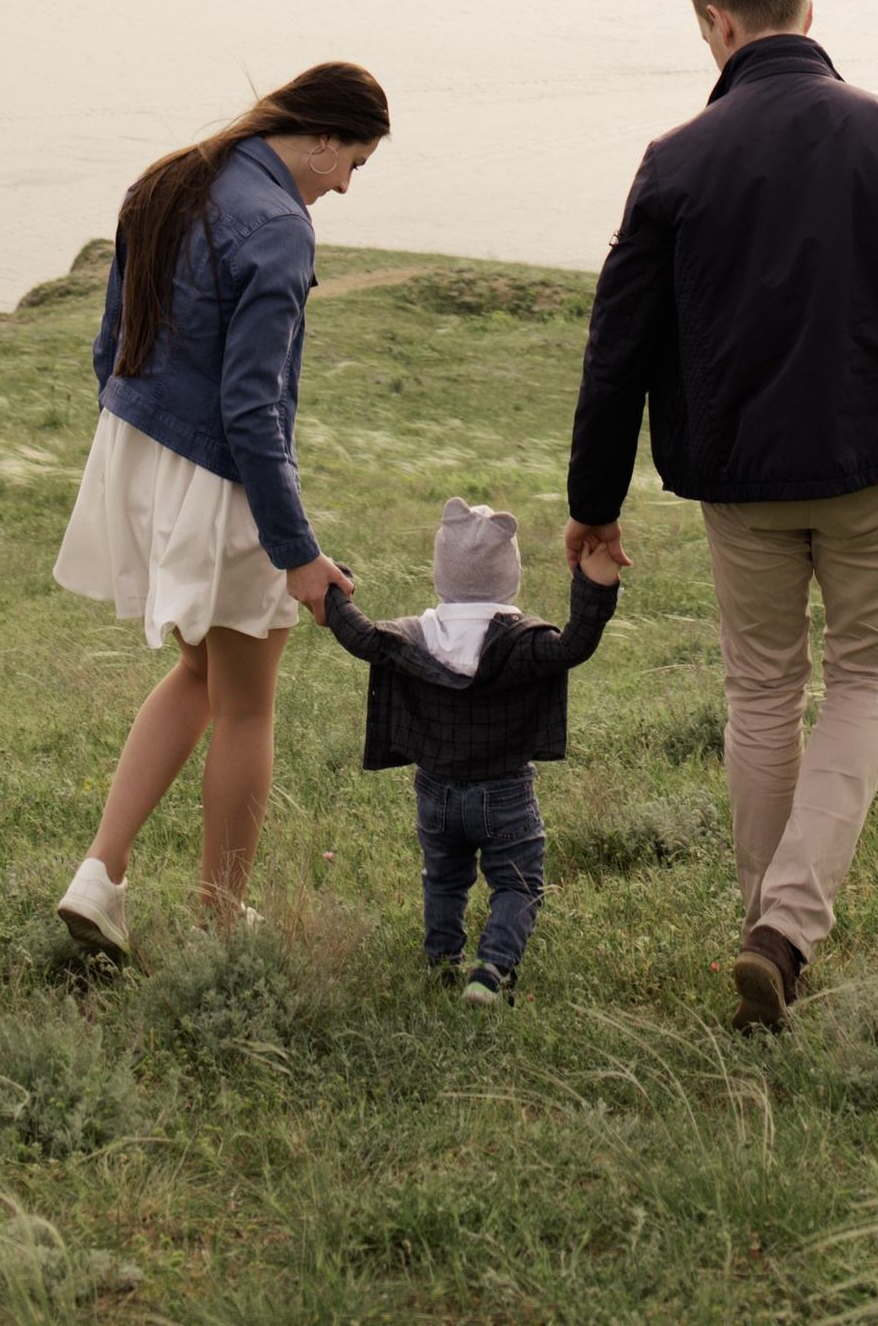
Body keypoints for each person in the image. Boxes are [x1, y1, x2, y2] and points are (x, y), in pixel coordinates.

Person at [565, 0, 878, 1032]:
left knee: (763, 691)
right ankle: (785, 931)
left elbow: (616, 347)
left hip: (742, 476)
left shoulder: (674, 160)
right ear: (806, 16)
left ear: (716, 25)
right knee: (864, 680)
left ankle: (765, 928)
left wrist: (594, 501)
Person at [52, 60, 390, 950]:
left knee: (201, 674)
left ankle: (100, 875)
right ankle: (218, 918)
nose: (344, 187)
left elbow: (111, 347)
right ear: (323, 139)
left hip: (140, 452)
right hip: (218, 475)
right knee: (246, 701)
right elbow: (251, 409)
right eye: (352, 164)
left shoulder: (166, 179)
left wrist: (147, 461)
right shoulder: (279, 226)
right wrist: (297, 553)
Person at [320, 493, 621, 1002]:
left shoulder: (414, 637)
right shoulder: (523, 641)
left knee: (443, 879)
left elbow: (362, 637)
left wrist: (335, 590)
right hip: (505, 793)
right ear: (511, 576)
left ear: (442, 574)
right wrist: (595, 583)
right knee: (518, 884)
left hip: (435, 793)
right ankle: (491, 970)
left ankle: (442, 963)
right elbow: (575, 645)